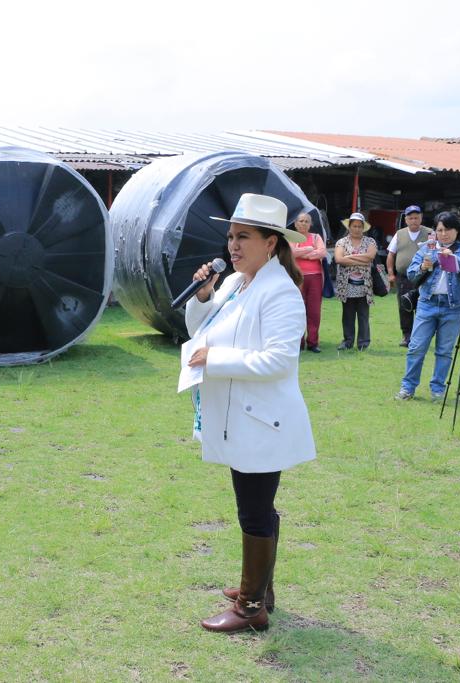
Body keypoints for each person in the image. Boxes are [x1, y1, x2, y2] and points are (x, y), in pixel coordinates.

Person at [179, 193, 316, 634]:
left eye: (244, 237)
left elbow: (278, 360)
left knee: (253, 512)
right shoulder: (238, 282)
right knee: (260, 509)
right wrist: (202, 297)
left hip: (263, 421)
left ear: (271, 243)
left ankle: (251, 606)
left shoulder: (280, 292)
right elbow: (204, 328)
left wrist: (213, 361)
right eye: (231, 237)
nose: (233, 247)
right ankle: (261, 588)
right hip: (243, 415)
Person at [395, 212, 460, 401]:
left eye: (448, 229)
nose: (444, 234)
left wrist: (454, 259)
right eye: (440, 230)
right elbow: (412, 274)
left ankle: (437, 390)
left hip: (453, 307)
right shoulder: (426, 248)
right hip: (427, 304)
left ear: (457, 230)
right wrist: (423, 266)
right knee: (416, 347)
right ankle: (408, 388)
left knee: (444, 351)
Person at [386, 206, 433, 346]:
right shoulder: (399, 234)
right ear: (406, 219)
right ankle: (406, 336)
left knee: (423, 306)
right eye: (410, 218)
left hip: (424, 277)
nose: (414, 220)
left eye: (416, 217)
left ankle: (421, 337)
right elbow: (391, 254)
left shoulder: (430, 233)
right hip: (403, 277)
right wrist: (390, 273)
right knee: (404, 306)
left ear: (421, 218)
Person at [334, 212, 377, 351]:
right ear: (349, 227)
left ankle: (363, 343)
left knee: (363, 315)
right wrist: (361, 259)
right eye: (354, 226)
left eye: (359, 226)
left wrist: (350, 258)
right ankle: (347, 341)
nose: (357, 229)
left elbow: (370, 257)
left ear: (363, 227)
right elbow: (339, 259)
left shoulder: (370, 241)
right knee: (347, 315)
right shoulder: (341, 242)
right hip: (346, 285)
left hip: (364, 286)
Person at [289, 211, 326, 352]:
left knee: (314, 311)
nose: (303, 223)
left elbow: (322, 252)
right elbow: (290, 253)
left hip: (315, 277)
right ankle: (298, 342)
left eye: (306, 221)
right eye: (301, 221)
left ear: (310, 224)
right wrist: (310, 250)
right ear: (295, 223)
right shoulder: (289, 238)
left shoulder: (316, 237)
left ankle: (313, 342)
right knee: (297, 310)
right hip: (296, 277)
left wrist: (303, 253)